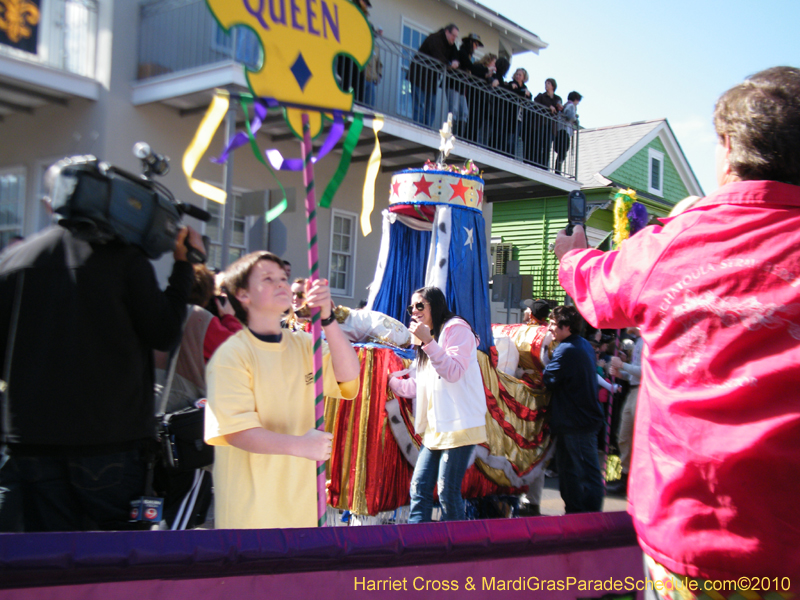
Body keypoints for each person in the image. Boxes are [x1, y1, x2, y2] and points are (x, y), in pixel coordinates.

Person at [554, 66, 800, 586]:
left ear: (728, 149)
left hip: (692, 538)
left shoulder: (675, 241)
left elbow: (596, 289)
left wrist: (571, 255)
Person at [0, 164, 203, 532]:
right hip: (110, 444)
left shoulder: (14, 260)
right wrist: (183, 267)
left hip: (29, 444)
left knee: (37, 558)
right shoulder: (125, 261)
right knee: (108, 559)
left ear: (52, 203)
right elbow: (163, 332)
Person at [204, 252, 360, 529]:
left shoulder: (305, 344)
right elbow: (235, 431)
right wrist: (301, 445)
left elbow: (348, 376)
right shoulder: (231, 355)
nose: (281, 284)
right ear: (242, 295)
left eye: (283, 278)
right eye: (268, 279)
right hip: (251, 516)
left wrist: (328, 319)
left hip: (303, 511)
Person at [388, 286, 487, 522]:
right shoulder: (428, 339)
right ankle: (417, 541)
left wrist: (428, 341)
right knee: (419, 488)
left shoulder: (457, 329)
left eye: (419, 305)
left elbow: (452, 372)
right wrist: (390, 382)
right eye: (411, 307)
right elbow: (421, 384)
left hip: (460, 424)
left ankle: (456, 543)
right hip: (436, 426)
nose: (414, 311)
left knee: (447, 492)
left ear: (436, 305)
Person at [541, 306, 604, 514]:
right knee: (570, 472)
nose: (549, 328)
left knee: (582, 473)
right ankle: (576, 514)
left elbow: (548, 379)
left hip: (576, 423)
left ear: (566, 326)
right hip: (578, 421)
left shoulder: (566, 349)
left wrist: (544, 354)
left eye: (553, 324)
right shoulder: (583, 344)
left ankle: (587, 517)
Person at [605, 327, 642, 497]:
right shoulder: (638, 342)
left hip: (639, 391)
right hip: (631, 392)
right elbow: (633, 374)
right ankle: (621, 476)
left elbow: (644, 371)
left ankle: (631, 479)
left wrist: (622, 365)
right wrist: (621, 373)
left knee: (634, 438)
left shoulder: (646, 342)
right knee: (622, 436)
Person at [408, 24, 460, 127]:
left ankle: (426, 128)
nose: (454, 38)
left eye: (456, 36)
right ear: (447, 32)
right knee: (419, 104)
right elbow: (438, 56)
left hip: (431, 79)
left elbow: (456, 53)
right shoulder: (434, 38)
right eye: (453, 35)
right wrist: (449, 64)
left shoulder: (450, 44)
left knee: (431, 106)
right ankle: (419, 127)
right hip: (419, 75)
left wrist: (455, 60)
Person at [532, 78, 562, 168]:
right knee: (539, 144)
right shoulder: (541, 96)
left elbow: (559, 107)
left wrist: (559, 107)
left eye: (548, 83)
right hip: (541, 124)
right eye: (546, 83)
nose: (546, 85)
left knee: (547, 147)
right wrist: (549, 107)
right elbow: (535, 104)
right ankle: (537, 164)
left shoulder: (557, 98)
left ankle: (544, 166)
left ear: (553, 86)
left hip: (551, 126)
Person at [554, 91, 581, 174]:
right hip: (565, 130)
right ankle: (558, 170)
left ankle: (557, 169)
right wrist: (575, 119)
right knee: (563, 150)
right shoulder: (571, 106)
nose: (578, 103)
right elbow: (570, 116)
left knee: (561, 151)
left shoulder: (566, 105)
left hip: (560, 129)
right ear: (576, 99)